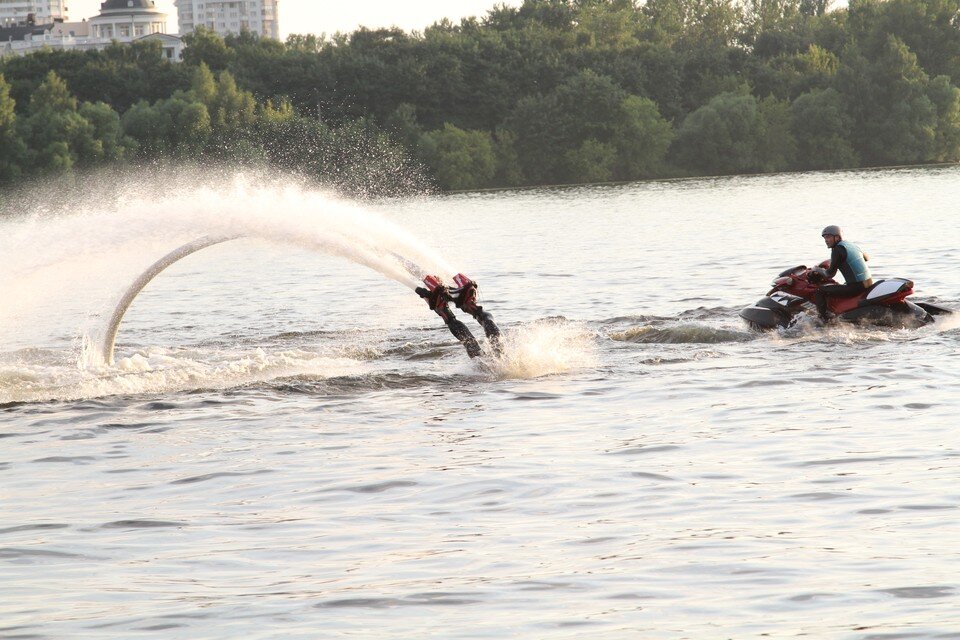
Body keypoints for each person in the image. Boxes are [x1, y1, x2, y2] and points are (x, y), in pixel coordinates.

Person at [415, 274, 502, 358]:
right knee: (477, 311)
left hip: (445, 286)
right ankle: (497, 345)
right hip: (457, 284)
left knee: (448, 316)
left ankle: (488, 349)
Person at [813, 225, 874, 321]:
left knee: (820, 291)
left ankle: (822, 320)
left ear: (837, 237)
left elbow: (829, 274)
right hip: (869, 283)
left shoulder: (837, 249)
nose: (826, 240)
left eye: (828, 237)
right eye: (825, 237)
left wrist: (817, 269)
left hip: (856, 287)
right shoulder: (850, 245)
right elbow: (866, 258)